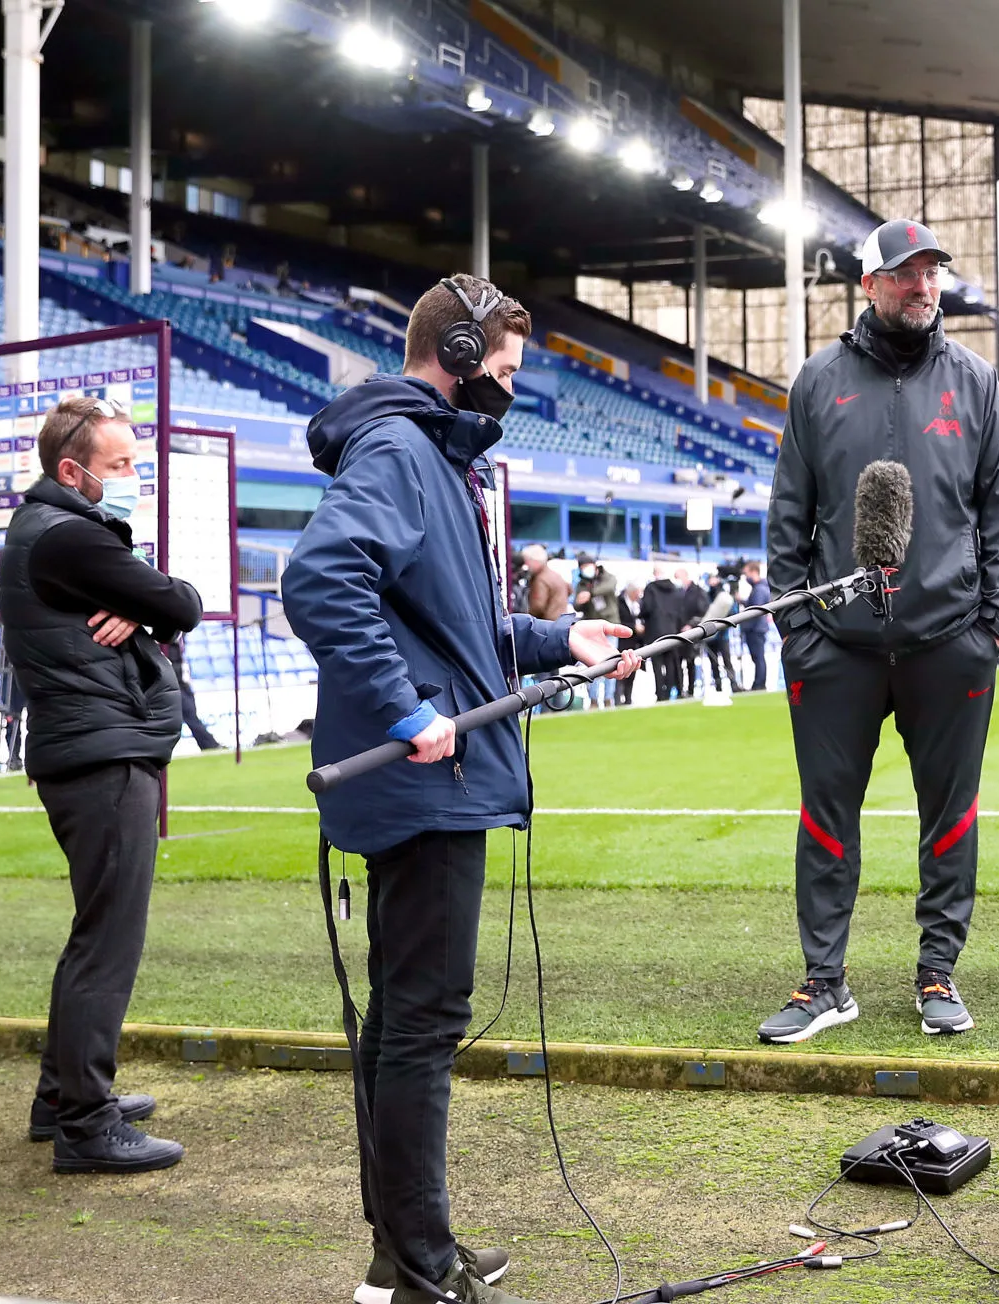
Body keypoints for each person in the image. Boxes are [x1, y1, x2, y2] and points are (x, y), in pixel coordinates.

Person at [282, 273, 639, 1304]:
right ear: (461, 352)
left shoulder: (430, 455)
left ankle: (404, 1249)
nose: (512, 387)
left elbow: (452, 625)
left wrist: (554, 639)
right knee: (422, 1022)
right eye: (507, 367)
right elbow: (320, 579)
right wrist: (404, 710)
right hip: (425, 782)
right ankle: (421, 1268)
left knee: (406, 1017)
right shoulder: (402, 449)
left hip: (435, 780)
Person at [761, 217, 999, 1044]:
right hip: (833, 646)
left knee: (949, 817)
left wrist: (992, 622)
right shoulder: (817, 380)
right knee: (824, 818)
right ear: (868, 284)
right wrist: (796, 624)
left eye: (932, 272)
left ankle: (937, 971)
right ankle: (823, 982)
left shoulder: (976, 381)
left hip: (951, 641)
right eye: (906, 273)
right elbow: (788, 511)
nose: (922, 286)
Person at [0, 393, 204, 1175]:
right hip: (101, 757)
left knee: (95, 932)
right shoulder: (69, 537)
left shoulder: (53, 532)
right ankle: (86, 1124)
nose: (132, 477)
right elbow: (182, 601)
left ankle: (61, 1099)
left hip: (91, 751)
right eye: (119, 465)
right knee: (107, 944)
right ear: (71, 471)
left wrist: (142, 609)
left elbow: (160, 607)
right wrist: (149, 606)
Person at [572, 556, 621, 709]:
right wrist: (581, 599)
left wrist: (591, 592)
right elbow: (576, 604)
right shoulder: (582, 584)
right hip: (592, 629)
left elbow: (609, 587)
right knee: (593, 665)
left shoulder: (608, 577)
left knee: (613, 663)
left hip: (610, 626)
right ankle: (593, 699)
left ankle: (608, 698)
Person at [160, 634, 222, 749]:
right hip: (174, 683)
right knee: (190, 715)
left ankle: (209, 745)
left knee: (190, 715)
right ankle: (210, 745)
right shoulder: (167, 643)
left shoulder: (178, 641)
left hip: (182, 682)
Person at [638, 564, 684, 701]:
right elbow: (680, 609)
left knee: (657, 665)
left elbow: (646, 608)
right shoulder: (674, 589)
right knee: (670, 664)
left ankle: (660, 693)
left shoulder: (650, 588)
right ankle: (669, 691)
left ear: (654, 573)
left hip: (655, 631)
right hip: (672, 631)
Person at [673, 565, 708, 697]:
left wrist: (691, 625)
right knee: (678, 662)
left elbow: (703, 612)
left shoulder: (698, 592)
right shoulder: (677, 593)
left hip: (692, 633)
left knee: (691, 662)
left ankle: (692, 689)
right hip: (677, 633)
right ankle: (680, 690)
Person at [702, 572, 739, 692]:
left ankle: (733, 684)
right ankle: (718, 687)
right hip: (710, 635)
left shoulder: (724, 595)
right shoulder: (706, 595)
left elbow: (733, 611)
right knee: (714, 663)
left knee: (727, 660)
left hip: (723, 634)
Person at [741, 560, 773, 692]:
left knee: (758, 657)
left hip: (755, 628)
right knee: (758, 657)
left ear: (754, 572)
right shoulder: (761, 587)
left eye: (746, 573)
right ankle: (758, 683)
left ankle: (759, 684)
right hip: (758, 628)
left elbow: (756, 610)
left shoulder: (759, 589)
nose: (745, 577)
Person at [615, 582, 645, 706]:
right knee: (620, 671)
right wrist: (634, 627)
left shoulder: (638, 604)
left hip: (634, 643)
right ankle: (617, 699)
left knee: (632, 672)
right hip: (621, 643)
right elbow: (618, 622)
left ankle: (628, 699)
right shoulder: (619, 602)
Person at [521, 544, 569, 620]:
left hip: (547, 622)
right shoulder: (555, 575)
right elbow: (569, 589)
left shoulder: (540, 580)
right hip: (560, 620)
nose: (526, 565)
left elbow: (538, 607)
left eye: (527, 561)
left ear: (535, 561)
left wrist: (526, 619)